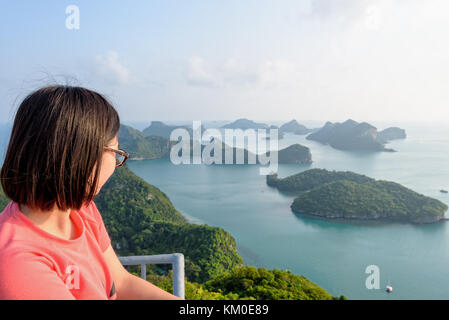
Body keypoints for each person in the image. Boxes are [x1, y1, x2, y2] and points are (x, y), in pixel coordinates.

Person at [0, 85, 183, 300]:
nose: (117, 163)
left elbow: (122, 283)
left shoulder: (81, 210)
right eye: (115, 152)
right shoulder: (19, 264)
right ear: (82, 158)